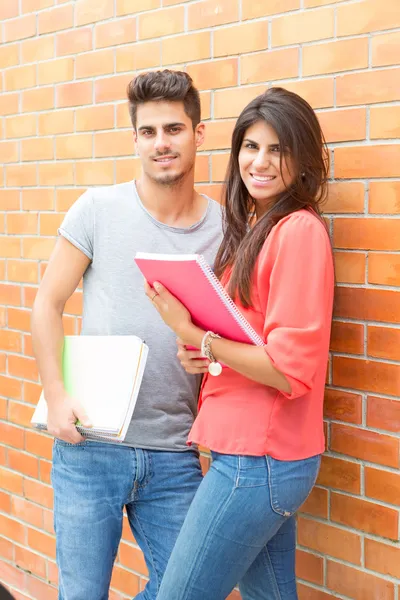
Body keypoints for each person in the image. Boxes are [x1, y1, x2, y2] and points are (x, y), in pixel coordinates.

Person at [31, 70, 223, 600]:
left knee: (191, 589)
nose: (161, 143)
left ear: (198, 133)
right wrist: (55, 395)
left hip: (174, 451)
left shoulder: (225, 229)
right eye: (148, 132)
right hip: (90, 444)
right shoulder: (98, 210)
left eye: (174, 129)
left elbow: (231, 331)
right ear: (135, 136)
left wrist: (212, 360)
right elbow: (47, 304)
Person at [145, 87, 334, 600]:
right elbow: (248, 344)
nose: (261, 161)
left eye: (278, 149)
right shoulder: (258, 229)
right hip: (252, 456)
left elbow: (289, 369)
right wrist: (205, 353)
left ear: (304, 157)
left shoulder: (298, 231)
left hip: (260, 461)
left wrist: (196, 336)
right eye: (251, 146)